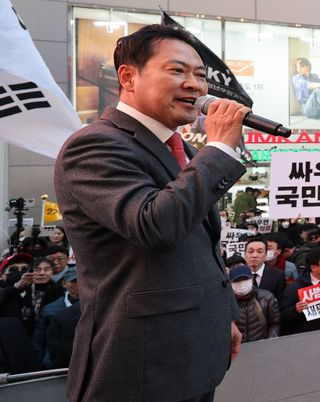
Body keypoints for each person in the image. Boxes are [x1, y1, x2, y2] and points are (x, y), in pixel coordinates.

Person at [53, 24, 246, 401]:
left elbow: (203, 245)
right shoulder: (95, 145)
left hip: (195, 356)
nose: (195, 85)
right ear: (128, 77)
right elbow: (156, 225)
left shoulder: (184, 151)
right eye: (177, 70)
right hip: (142, 366)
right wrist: (220, 148)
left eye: (200, 75)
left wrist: (224, 314)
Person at [229, 265, 280, 342]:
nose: (241, 283)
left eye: (245, 279)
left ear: (252, 279)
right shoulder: (227, 302)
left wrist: (270, 341)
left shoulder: (266, 298)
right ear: (230, 283)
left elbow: (275, 323)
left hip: (262, 345)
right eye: (237, 281)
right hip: (237, 346)